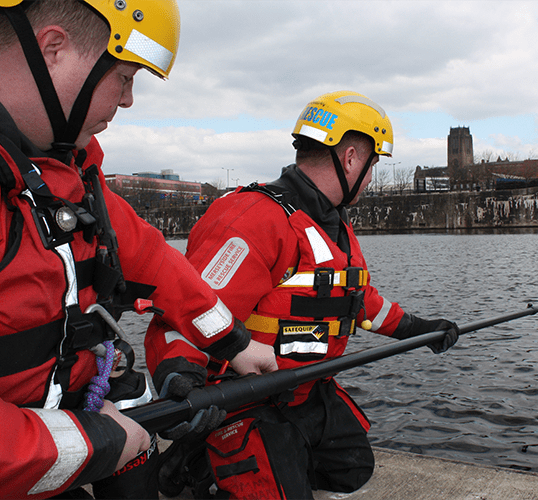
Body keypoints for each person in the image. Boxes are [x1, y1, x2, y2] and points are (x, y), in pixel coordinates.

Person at [0, 1, 276, 498]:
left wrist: (231, 345)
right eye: (124, 77)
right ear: (53, 49)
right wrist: (95, 441)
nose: (128, 100)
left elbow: (158, 264)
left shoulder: (68, 179)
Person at [145, 90, 461, 499]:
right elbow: (188, 311)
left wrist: (420, 330)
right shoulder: (257, 218)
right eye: (371, 165)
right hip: (247, 398)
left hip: (306, 389)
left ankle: (261, 461)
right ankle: (206, 462)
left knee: (352, 468)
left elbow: (358, 300)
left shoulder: (333, 226)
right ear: (350, 158)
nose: (370, 178)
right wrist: (179, 379)